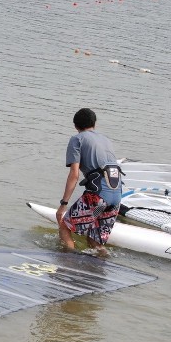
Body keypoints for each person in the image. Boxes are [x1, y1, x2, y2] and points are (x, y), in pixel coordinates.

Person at [56, 108, 122, 257]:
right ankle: (102, 268)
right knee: (95, 240)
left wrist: (63, 204)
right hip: (116, 197)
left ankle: (67, 266)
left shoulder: (77, 139)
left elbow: (74, 174)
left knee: (65, 227)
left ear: (75, 126)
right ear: (94, 124)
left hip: (98, 198)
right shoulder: (106, 139)